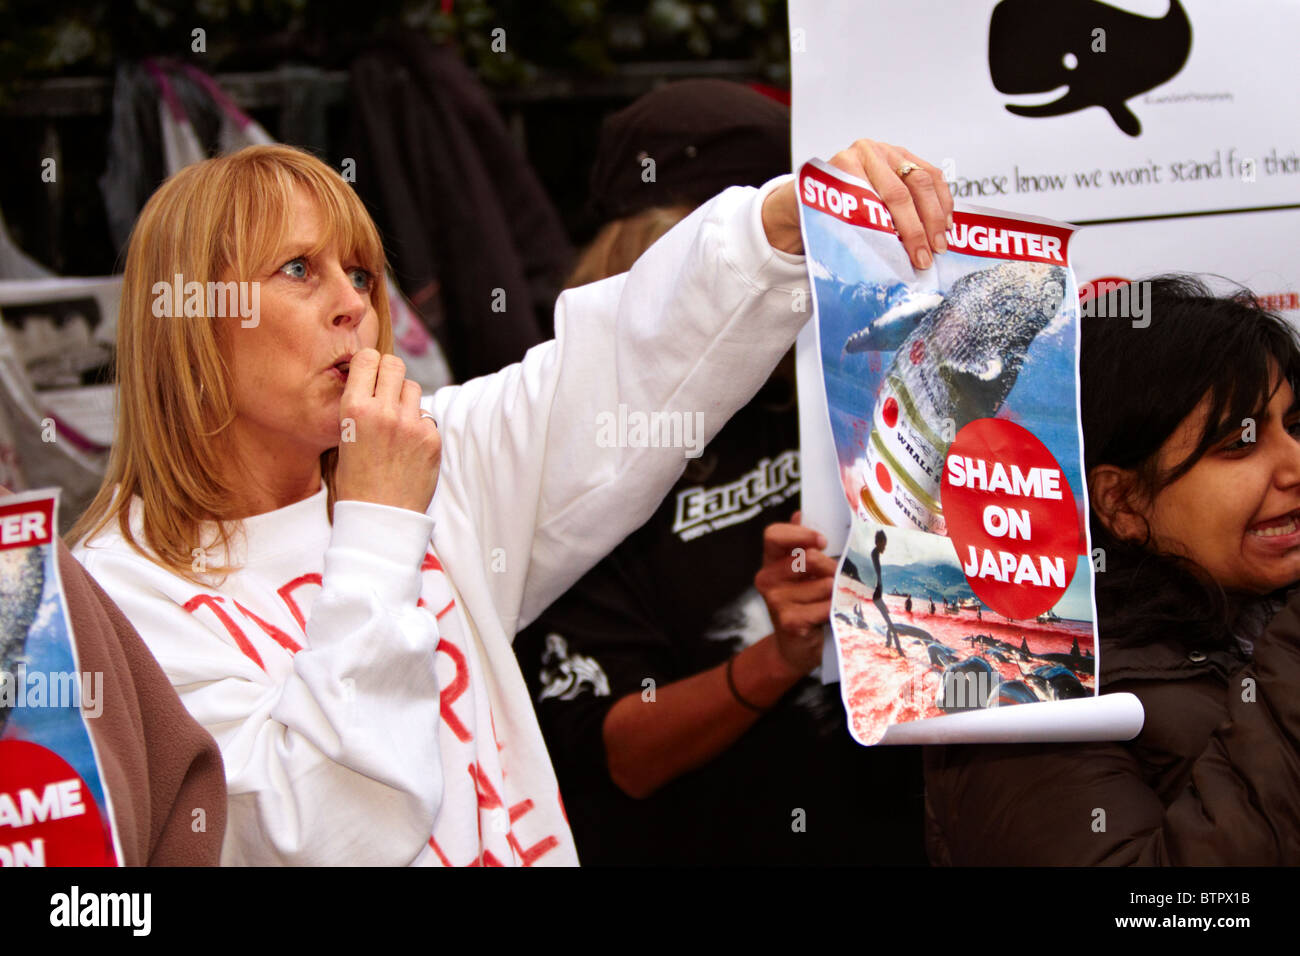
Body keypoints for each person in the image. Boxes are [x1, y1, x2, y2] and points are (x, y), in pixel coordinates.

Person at [70, 138, 950, 866]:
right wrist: (378, 529)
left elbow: (615, 372)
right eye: (298, 269)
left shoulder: (426, 458)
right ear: (189, 320)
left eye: (362, 274)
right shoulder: (112, 598)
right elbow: (320, 835)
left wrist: (779, 224)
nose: (352, 306)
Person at [513, 81, 932, 864]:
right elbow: (620, 757)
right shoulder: (585, 451)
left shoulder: (834, 391)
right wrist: (776, 660)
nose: (802, 271)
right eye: (772, 242)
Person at [925, 276, 1300, 865]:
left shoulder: (1264, 617)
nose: (1295, 465)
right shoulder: (1030, 688)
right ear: (1122, 504)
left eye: (1296, 428)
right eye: (1239, 444)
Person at [871, 529, 903, 656]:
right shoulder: (874, 554)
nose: (884, 547)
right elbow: (876, 578)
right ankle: (900, 651)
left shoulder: (876, 555)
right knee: (891, 625)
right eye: (883, 544)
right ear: (878, 542)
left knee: (888, 618)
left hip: (878, 596)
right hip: (876, 596)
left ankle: (888, 643)